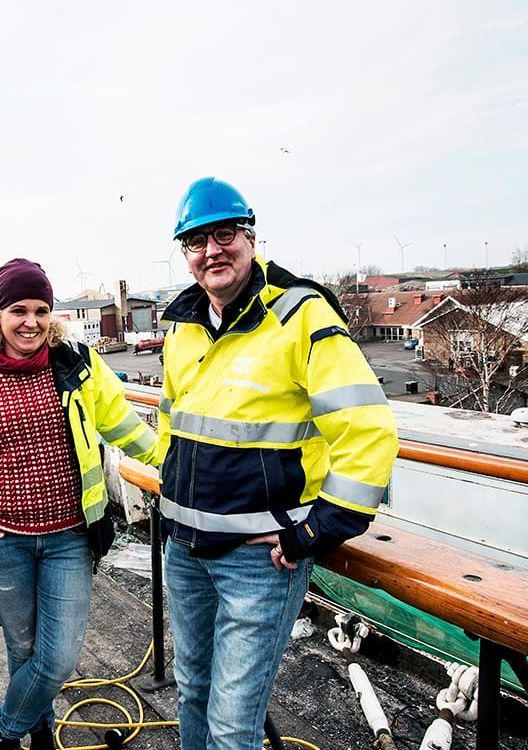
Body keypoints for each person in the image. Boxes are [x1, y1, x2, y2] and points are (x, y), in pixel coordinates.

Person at [156, 178, 399, 750]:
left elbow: (368, 428)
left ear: (250, 236)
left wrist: (319, 529)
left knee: (232, 725)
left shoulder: (298, 315)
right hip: (185, 550)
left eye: (223, 234)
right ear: (185, 253)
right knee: (191, 690)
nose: (211, 250)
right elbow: (173, 425)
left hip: (259, 562)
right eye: (195, 240)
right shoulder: (184, 326)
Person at [0, 259, 163, 750]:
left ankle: (0, 732)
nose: (31, 321)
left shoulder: (76, 366)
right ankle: (40, 735)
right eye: (18, 310)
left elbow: (123, 424)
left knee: (60, 656)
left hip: (69, 535)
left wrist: (176, 464)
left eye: (42, 310)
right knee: (24, 647)